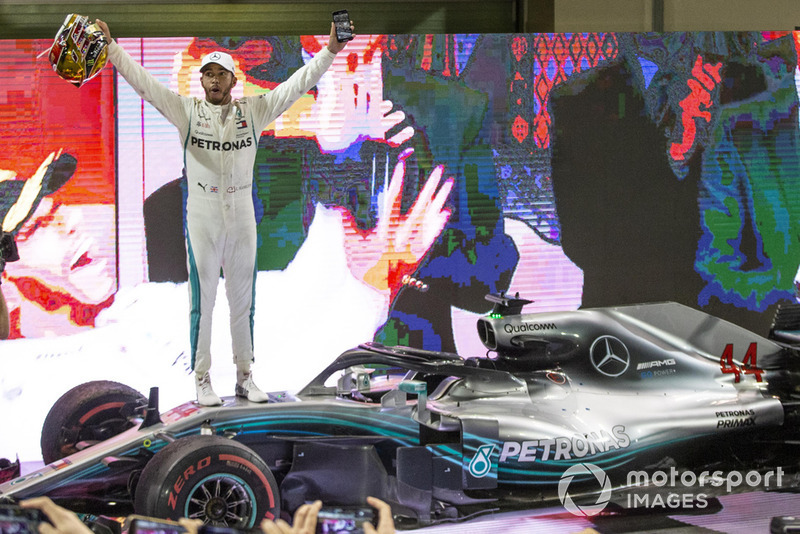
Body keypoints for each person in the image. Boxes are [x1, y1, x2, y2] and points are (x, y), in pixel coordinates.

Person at [96, 18, 354, 406]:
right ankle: (202, 380)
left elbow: (299, 83)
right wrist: (112, 48)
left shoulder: (255, 111)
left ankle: (245, 377)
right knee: (204, 302)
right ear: (201, 81)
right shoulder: (185, 111)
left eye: (222, 74)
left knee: (243, 302)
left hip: (242, 215)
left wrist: (331, 49)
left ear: (235, 81)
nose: (215, 80)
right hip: (202, 216)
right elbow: (144, 84)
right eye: (208, 74)